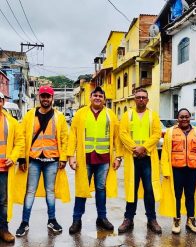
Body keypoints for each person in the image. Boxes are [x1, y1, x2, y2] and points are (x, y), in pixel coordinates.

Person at [15, 85, 70, 237]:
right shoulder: (29, 116)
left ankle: (52, 220)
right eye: (43, 96)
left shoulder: (59, 117)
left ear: (52, 98)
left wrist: (63, 157)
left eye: (48, 96)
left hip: (52, 160)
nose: (45, 99)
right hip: (33, 159)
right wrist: (21, 158)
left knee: (50, 192)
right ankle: (24, 222)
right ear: (39, 97)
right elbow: (21, 137)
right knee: (30, 192)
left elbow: (65, 138)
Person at [68, 86, 122, 234]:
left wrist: (118, 157)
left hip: (104, 158)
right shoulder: (80, 114)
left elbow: (117, 137)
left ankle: (102, 218)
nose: (98, 98)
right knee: (81, 189)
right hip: (84, 158)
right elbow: (73, 135)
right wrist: (71, 156)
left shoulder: (110, 115)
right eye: (95, 95)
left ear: (104, 99)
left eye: (100, 96)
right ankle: (76, 220)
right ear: (90, 98)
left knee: (101, 189)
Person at [159, 108, 196, 234]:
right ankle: (176, 220)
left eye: (186, 116)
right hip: (176, 170)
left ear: (190, 118)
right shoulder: (170, 132)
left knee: (190, 196)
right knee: (177, 196)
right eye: (181, 117)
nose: (184, 119)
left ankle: (191, 221)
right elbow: (165, 153)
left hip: (192, 169)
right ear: (177, 118)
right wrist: (166, 170)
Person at [118, 88, 162, 234]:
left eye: (144, 97)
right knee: (132, 189)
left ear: (147, 100)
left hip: (148, 158)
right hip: (133, 158)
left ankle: (152, 219)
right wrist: (134, 148)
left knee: (149, 191)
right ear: (134, 99)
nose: (141, 99)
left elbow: (156, 134)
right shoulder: (127, 115)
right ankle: (128, 219)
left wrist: (144, 148)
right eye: (138, 97)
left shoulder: (153, 116)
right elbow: (122, 133)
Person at [0, 92, 23, 243]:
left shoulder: (11, 121)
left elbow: (20, 142)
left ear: (2, 102)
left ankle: (3, 229)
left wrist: (13, 158)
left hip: (3, 168)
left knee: (2, 201)